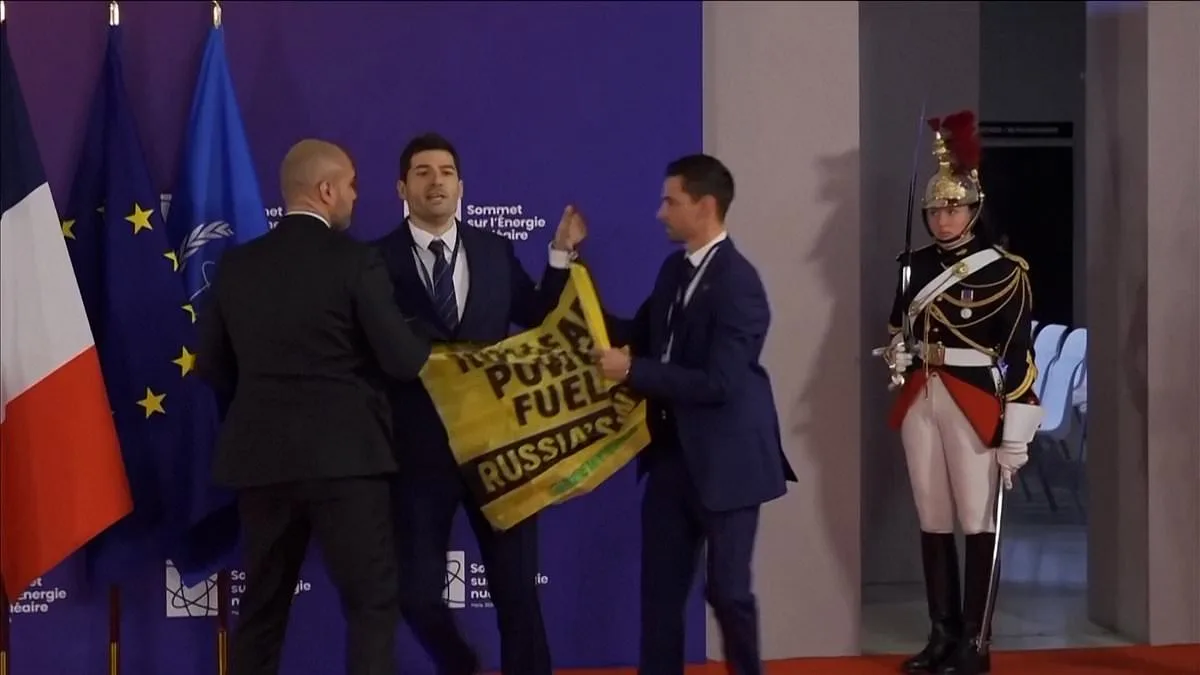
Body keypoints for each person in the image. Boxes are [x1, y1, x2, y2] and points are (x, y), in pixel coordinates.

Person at [196, 139, 431, 675]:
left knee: (262, 607)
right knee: (371, 604)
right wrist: (415, 338)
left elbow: (211, 364)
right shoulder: (356, 261)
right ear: (326, 190)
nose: (354, 196)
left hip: (262, 460)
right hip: (346, 460)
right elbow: (402, 360)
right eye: (350, 185)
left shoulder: (236, 266)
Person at [372, 132, 586, 675]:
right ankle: (461, 665)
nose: (436, 182)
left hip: (499, 450)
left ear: (461, 186)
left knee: (518, 596)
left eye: (446, 172)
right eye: (423, 172)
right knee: (416, 595)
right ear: (402, 187)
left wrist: (559, 255)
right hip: (417, 456)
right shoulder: (372, 262)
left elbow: (538, 316)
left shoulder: (494, 250)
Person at [591, 154, 797, 675]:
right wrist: (569, 267)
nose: (660, 212)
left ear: (704, 206)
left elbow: (719, 383)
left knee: (728, 593)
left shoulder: (739, 284)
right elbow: (634, 334)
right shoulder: (673, 271)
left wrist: (633, 371)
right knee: (659, 595)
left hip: (729, 464)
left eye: (671, 201)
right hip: (670, 459)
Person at [874, 110, 1042, 675]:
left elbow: (1018, 355)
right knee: (932, 516)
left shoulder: (1005, 271)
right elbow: (899, 328)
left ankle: (976, 641)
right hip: (922, 395)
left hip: (974, 397)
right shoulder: (912, 266)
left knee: (977, 518)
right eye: (935, 210)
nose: (942, 219)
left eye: (952, 208)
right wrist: (899, 352)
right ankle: (941, 634)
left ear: (973, 208)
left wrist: (1016, 433)